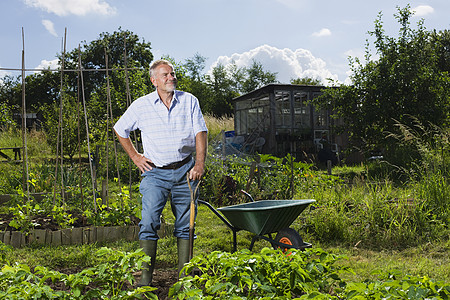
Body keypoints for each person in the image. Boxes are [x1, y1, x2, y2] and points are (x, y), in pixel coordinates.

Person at [113, 59, 208, 286]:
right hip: (155, 173)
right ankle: (145, 281)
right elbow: (120, 128)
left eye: (172, 74)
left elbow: (200, 132)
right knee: (148, 222)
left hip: (185, 170)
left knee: (186, 225)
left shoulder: (189, 101)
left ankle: (184, 280)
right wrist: (136, 157)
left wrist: (199, 164)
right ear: (154, 80)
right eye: (165, 75)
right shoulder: (141, 105)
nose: (171, 78)